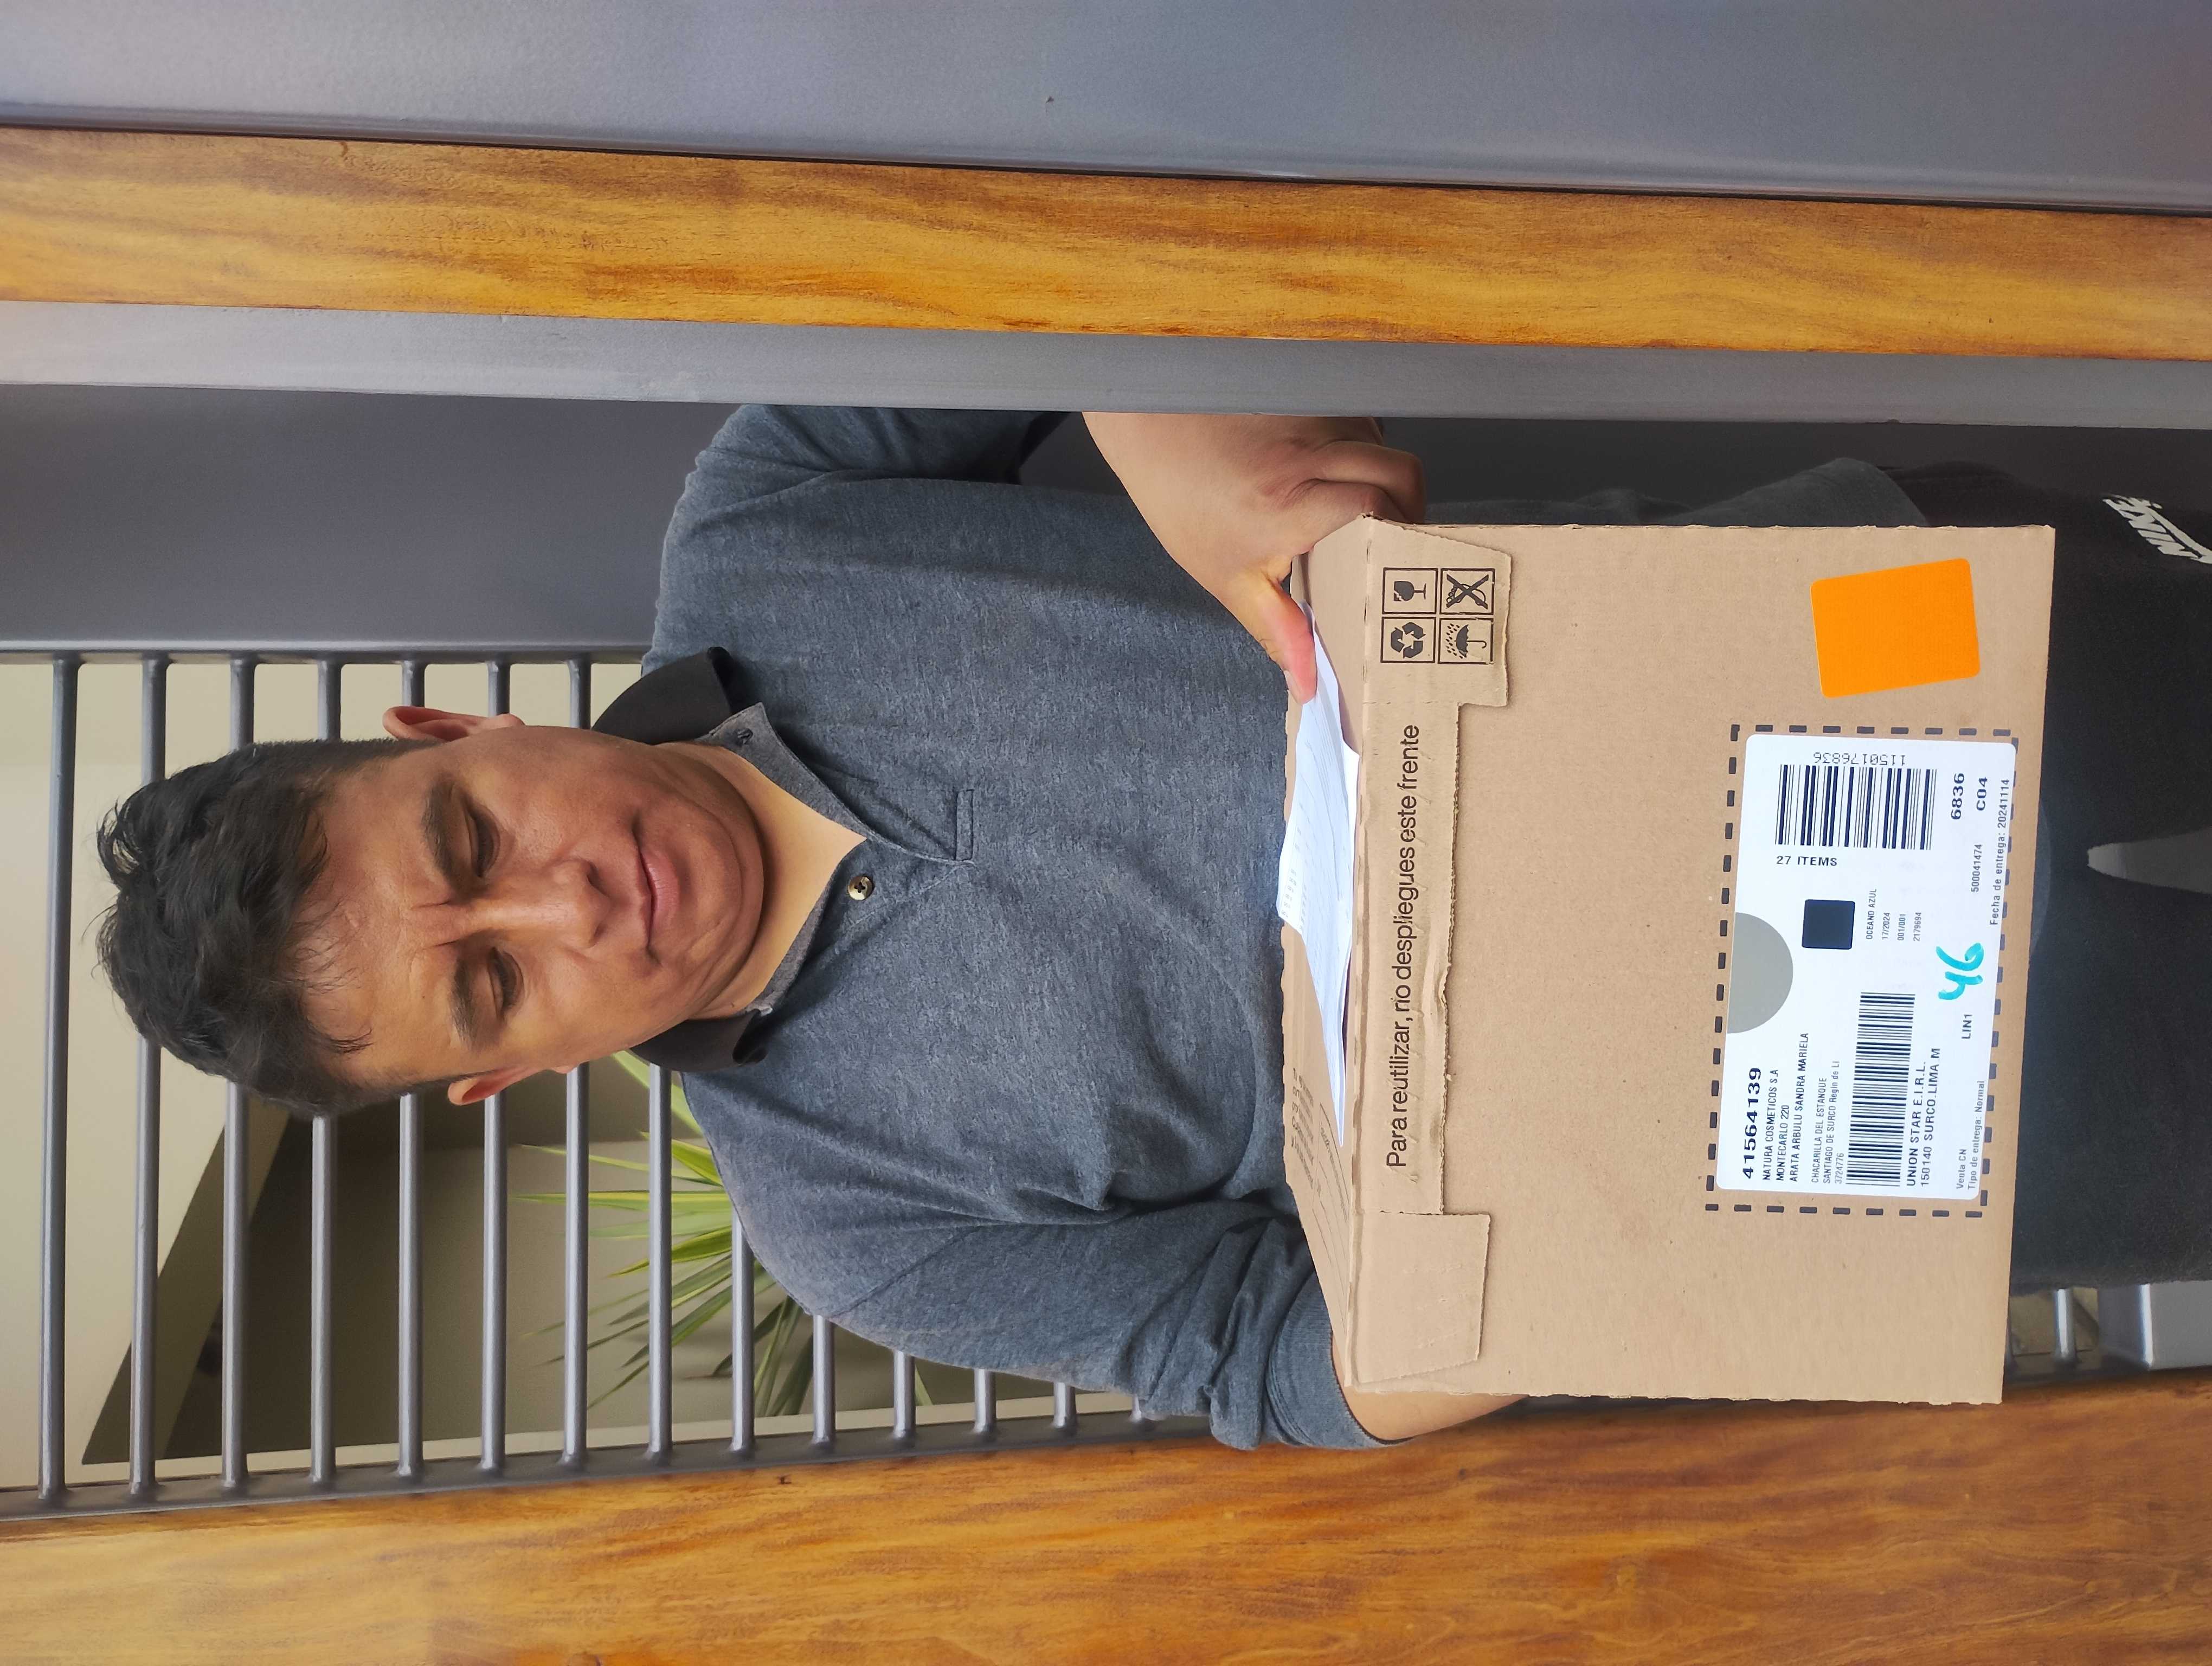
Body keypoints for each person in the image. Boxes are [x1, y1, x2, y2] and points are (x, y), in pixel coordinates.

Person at [92, 409, 2212, 1447]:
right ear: (505, 1075)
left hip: (1841, 632)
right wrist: (1536, 1276)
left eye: (474, 831)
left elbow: (1035, 255)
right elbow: (1265, 1360)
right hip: (1884, 1116)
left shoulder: (775, 514)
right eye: (495, 976)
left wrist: (1174, 443)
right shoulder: (856, 1230)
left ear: (449, 728)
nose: (566, 898)